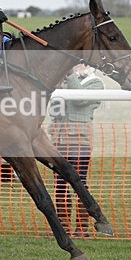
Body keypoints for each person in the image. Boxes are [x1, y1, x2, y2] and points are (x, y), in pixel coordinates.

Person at [50, 63, 104, 237]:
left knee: (79, 183)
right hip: (59, 139)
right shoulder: (66, 80)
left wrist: (70, 74)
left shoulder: (96, 83)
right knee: (60, 185)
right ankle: (64, 227)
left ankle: (82, 228)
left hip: (79, 141)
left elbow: (79, 99)